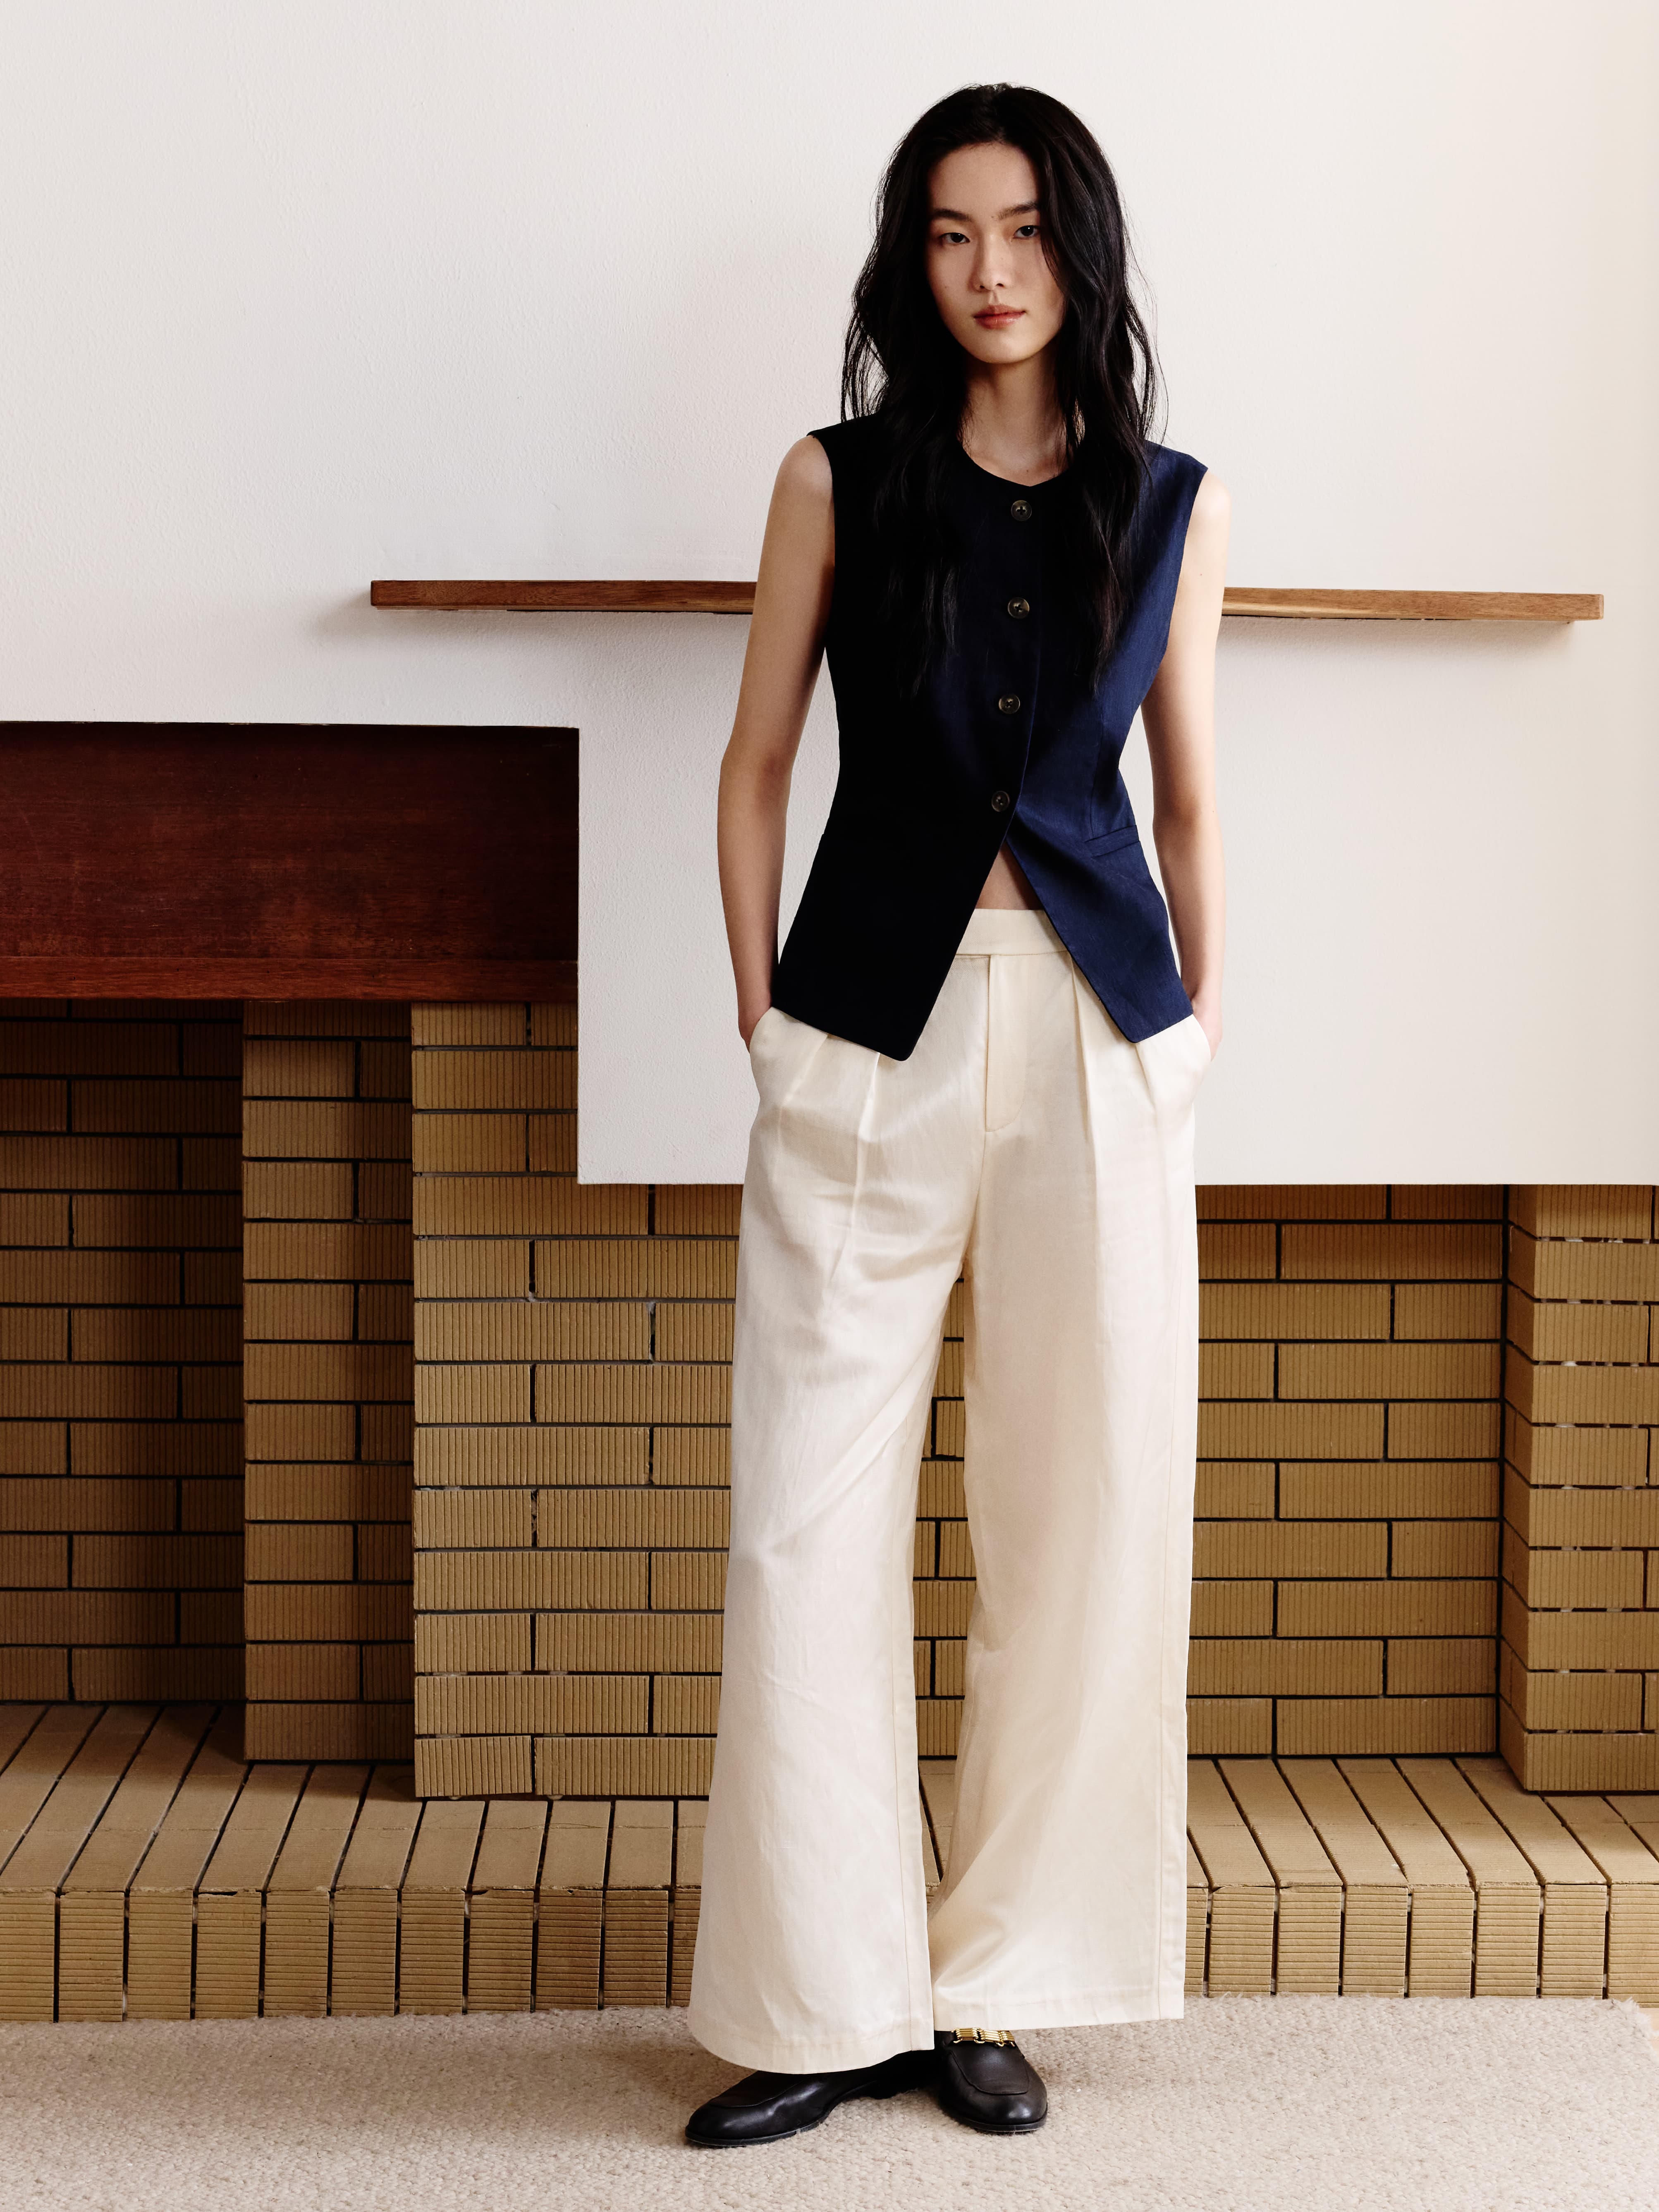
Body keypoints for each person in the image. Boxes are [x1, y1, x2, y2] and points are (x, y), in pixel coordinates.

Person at [685, 81, 1229, 2148]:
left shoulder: (1169, 505)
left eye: (1019, 229)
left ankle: (996, 1981)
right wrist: (764, 1021)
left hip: (1098, 1031)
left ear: (1078, 248)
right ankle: (825, 2000)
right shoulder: (832, 480)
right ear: (909, 262)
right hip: (862, 1032)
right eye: (945, 233)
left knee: (1083, 1511)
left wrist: (1193, 1040)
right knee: (802, 1518)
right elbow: (753, 763)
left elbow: (1189, 800)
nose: (987, 271)